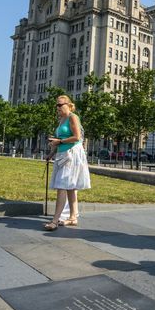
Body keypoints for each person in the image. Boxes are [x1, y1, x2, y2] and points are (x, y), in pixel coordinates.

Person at [43, 95, 91, 231]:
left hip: (72, 154)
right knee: (70, 187)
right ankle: (72, 217)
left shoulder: (72, 117)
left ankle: (55, 220)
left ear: (69, 105)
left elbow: (77, 137)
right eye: (56, 105)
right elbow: (60, 138)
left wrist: (60, 141)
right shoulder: (61, 120)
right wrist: (51, 153)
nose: (57, 107)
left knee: (62, 185)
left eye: (60, 105)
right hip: (62, 153)